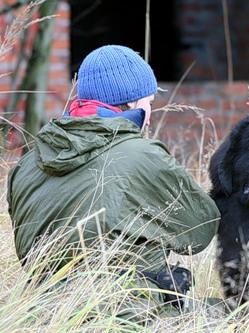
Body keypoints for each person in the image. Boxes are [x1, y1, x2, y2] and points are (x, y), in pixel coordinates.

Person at [7, 45, 220, 318]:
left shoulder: (26, 164)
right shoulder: (141, 155)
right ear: (131, 104)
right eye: (149, 103)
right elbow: (200, 231)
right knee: (243, 315)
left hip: (42, 312)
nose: (151, 114)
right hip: (130, 313)